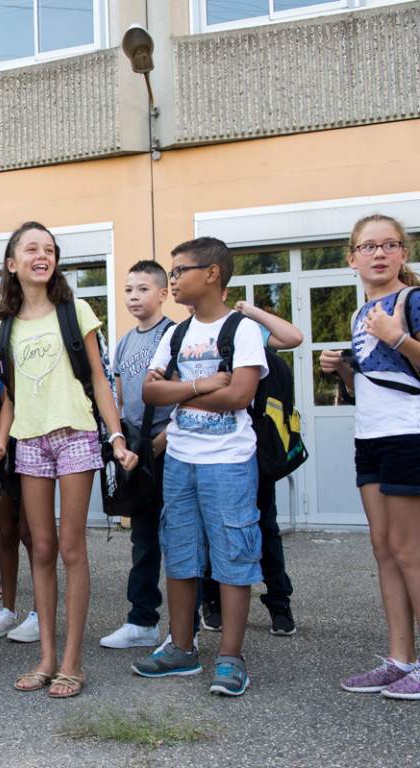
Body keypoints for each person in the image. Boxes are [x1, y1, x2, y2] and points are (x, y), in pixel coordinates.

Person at [0, 222, 137, 699]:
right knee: (41, 548)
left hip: (76, 435)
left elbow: (98, 376)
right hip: (29, 443)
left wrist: (115, 438)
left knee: (72, 548)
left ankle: (73, 662)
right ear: (13, 263)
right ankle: (46, 658)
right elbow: (9, 396)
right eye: (31, 248)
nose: (41, 254)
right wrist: (0, 441)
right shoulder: (2, 327)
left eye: (49, 249)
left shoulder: (76, 311)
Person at [132, 236, 268, 697]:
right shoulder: (175, 333)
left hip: (228, 461)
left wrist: (179, 386)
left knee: (233, 552)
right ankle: (182, 650)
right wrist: (203, 384)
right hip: (181, 458)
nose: (172, 280)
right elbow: (150, 394)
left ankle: (231, 657)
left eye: (179, 271)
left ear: (212, 274)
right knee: (181, 550)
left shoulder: (241, 329)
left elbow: (240, 395)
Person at [320, 214, 420, 700]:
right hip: (372, 437)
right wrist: (342, 371)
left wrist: (397, 336)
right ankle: (401, 659)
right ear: (352, 258)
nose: (378, 254)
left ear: (403, 253)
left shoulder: (411, 301)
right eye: (368, 247)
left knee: (409, 551)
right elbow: (371, 388)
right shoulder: (363, 314)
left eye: (389, 245)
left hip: (410, 435)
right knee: (383, 550)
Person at [199, 299, 303, 637]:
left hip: (255, 450)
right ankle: (212, 602)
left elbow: (292, 337)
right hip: (214, 447)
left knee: (265, 527)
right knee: (215, 529)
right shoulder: (199, 336)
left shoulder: (247, 330)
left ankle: (279, 604)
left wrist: (250, 311)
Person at [99, 260, 175, 650]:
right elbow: (122, 399)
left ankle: (190, 624)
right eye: (129, 289)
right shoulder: (126, 341)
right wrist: (122, 444)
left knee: (181, 538)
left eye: (143, 289)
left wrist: (158, 444)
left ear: (163, 294)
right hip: (134, 452)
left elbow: (188, 398)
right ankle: (142, 621)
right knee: (143, 539)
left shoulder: (175, 335)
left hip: (171, 449)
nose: (134, 296)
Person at [0, 316, 38, 644]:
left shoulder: (26, 362)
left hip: (30, 447)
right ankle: (8, 609)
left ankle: (40, 613)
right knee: (6, 532)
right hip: (1, 455)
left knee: (32, 534)